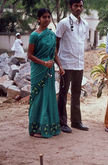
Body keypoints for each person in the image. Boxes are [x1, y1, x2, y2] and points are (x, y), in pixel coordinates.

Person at [27, 8, 65, 138]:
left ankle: (49, 127)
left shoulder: (51, 34)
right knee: (38, 98)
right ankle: (36, 128)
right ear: (38, 19)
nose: (47, 19)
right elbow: (30, 55)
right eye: (44, 17)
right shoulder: (34, 35)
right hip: (38, 70)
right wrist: (43, 63)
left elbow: (54, 53)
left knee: (48, 97)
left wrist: (60, 65)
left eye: (49, 17)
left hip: (49, 70)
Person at [56, 0, 89, 133]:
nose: (79, 8)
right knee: (63, 93)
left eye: (80, 6)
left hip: (79, 64)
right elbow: (56, 43)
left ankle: (76, 121)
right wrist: (59, 64)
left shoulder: (85, 24)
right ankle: (61, 122)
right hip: (66, 64)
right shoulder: (63, 23)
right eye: (76, 6)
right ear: (70, 7)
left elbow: (81, 43)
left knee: (76, 93)